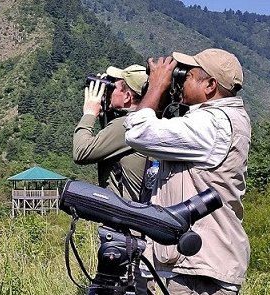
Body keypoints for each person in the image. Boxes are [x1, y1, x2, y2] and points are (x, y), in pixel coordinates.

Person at [124, 49, 251, 294]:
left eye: (188, 76)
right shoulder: (217, 119)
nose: (180, 81)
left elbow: (138, 132)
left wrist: (157, 87)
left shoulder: (212, 123)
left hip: (196, 274)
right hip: (192, 267)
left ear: (210, 85)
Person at [72, 64, 149, 202]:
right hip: (137, 210)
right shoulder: (148, 119)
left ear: (127, 97)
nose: (109, 90)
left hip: (124, 216)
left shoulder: (127, 124)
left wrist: (89, 113)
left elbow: (81, 152)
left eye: (114, 86)